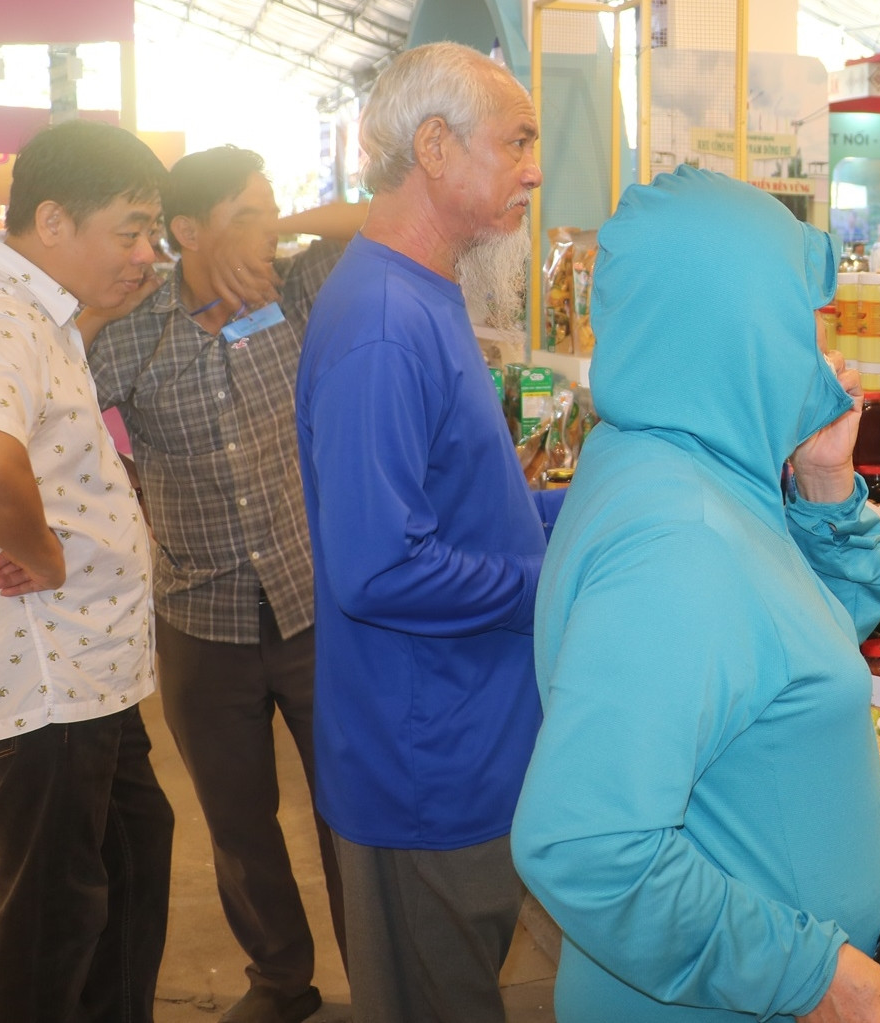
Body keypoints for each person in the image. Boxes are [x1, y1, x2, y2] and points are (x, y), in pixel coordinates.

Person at [512, 167, 880, 1023]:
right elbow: (587, 844)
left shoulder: (678, 459)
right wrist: (806, 972)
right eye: (798, 317)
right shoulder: (680, 540)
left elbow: (796, 646)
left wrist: (823, 481)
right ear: (742, 328)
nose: (816, 343)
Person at [295, 41, 547, 1023]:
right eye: (516, 141)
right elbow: (379, 567)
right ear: (434, 147)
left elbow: (469, 506)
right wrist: (548, 584)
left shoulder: (423, 295)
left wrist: (594, 517)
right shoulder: (384, 325)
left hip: (469, 740)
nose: (534, 169)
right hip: (423, 769)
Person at [0, 119, 173, 1021]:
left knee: (131, 854)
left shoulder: (28, 310)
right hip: (44, 671)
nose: (146, 253)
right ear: (52, 221)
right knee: (56, 917)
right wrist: (44, 553)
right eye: (130, 230)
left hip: (83, 668)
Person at [86, 146, 366, 1023]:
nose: (265, 229)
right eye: (246, 212)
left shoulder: (294, 287)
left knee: (353, 810)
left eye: (271, 210)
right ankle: (281, 979)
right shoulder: (135, 330)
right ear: (188, 230)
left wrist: (274, 228)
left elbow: (383, 217)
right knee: (240, 824)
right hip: (200, 620)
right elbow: (53, 413)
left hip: (312, 604)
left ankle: (382, 974)